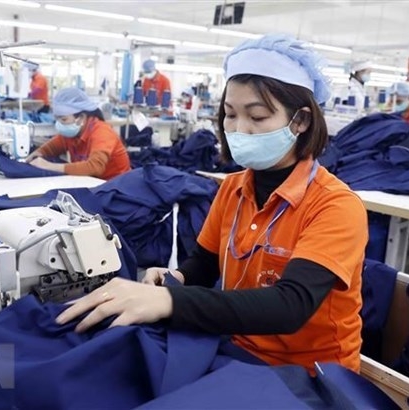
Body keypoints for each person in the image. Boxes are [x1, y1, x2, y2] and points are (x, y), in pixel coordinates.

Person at [55, 34, 369, 375]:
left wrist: (170, 301)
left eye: (258, 117)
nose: (238, 129)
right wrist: (177, 277)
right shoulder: (233, 187)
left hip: (312, 376)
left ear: (302, 121)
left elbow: (289, 306)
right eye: (230, 115)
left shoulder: (336, 206)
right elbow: (206, 262)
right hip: (236, 351)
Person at [26, 87, 130, 180]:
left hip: (117, 189)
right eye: (57, 119)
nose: (59, 124)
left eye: (63, 119)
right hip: (94, 184)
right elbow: (52, 147)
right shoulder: (72, 133)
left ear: (81, 118)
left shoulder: (102, 132)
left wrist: (49, 166)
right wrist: (38, 153)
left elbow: (95, 167)